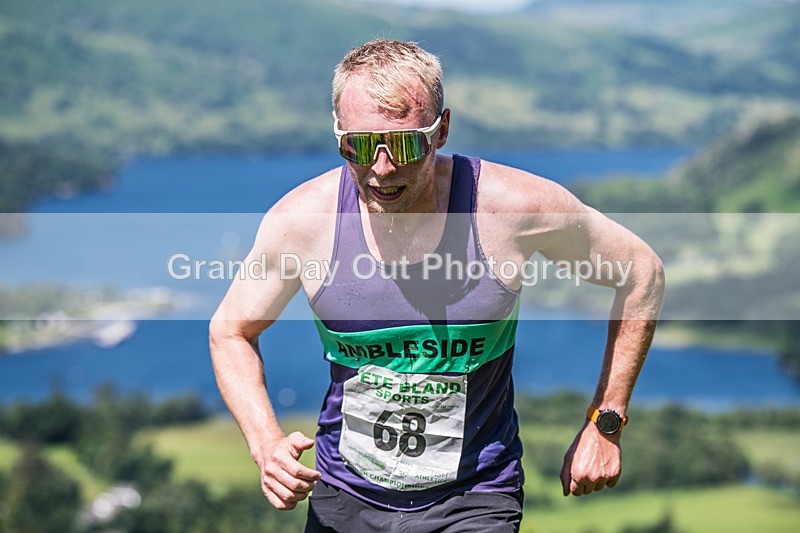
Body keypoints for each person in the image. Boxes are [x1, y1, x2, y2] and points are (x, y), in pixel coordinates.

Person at [209, 39, 665, 532]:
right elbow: (229, 331)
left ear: (441, 130)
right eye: (359, 146)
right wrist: (266, 444)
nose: (382, 168)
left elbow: (642, 272)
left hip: (474, 497)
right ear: (339, 135)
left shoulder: (512, 210)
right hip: (345, 495)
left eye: (404, 144)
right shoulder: (301, 222)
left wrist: (606, 422)